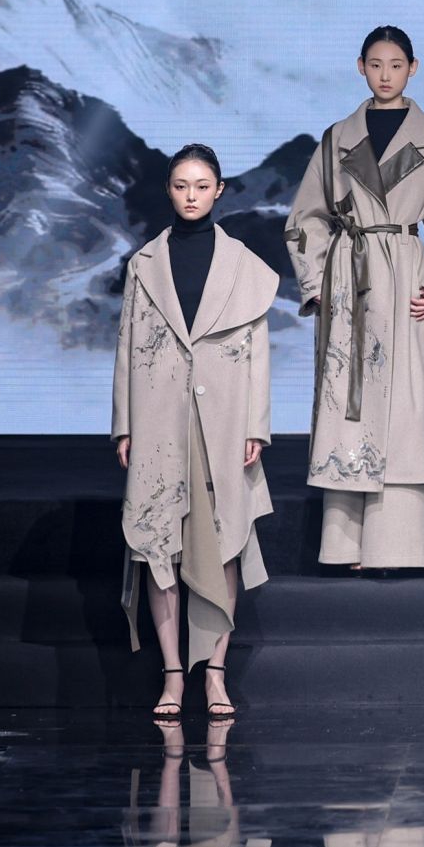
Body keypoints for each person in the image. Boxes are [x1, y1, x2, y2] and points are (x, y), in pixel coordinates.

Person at [287, 26, 424, 571]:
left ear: (414, 67)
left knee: (404, 404)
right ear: (360, 67)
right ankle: (344, 544)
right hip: (351, 280)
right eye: (375, 64)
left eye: (395, 64)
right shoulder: (335, 138)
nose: (385, 74)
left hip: (404, 278)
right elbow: (304, 218)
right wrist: (319, 283)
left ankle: (397, 545)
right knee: (350, 402)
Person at [113, 144, 279, 720]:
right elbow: (127, 347)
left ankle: (214, 673)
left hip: (225, 418)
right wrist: (123, 425)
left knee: (223, 541)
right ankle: (172, 675)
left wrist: (256, 425)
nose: (191, 195)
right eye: (181, 185)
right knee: (157, 542)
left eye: (202, 185)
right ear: (169, 189)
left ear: (219, 190)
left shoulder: (245, 266)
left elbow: (258, 353)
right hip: (158, 415)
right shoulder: (144, 264)